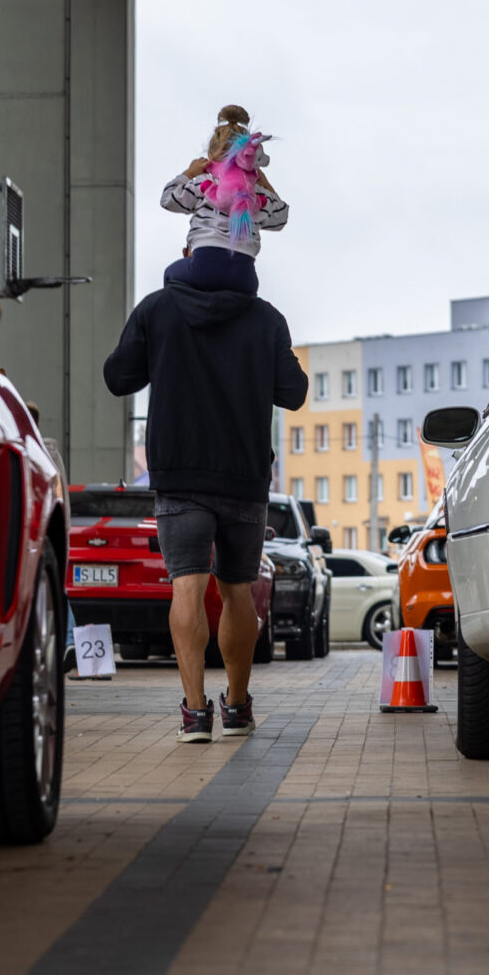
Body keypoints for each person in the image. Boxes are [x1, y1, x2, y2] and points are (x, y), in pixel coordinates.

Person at [104, 277, 308, 742]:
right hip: (244, 478)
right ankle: (236, 708)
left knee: (187, 588)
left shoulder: (157, 309)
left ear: (188, 253)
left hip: (180, 476)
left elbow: (118, 377)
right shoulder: (266, 318)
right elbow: (294, 393)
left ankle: (195, 714)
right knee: (238, 591)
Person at [159, 104, 289, 296]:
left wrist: (190, 173)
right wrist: (264, 182)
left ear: (211, 156)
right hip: (244, 276)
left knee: (170, 274)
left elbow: (168, 199)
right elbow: (282, 217)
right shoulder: (258, 195)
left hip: (203, 264)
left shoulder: (204, 184)